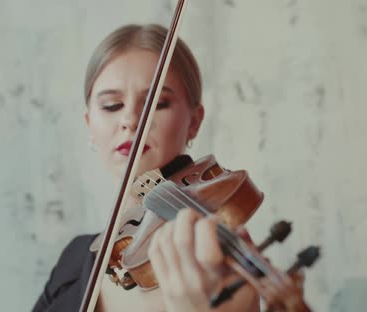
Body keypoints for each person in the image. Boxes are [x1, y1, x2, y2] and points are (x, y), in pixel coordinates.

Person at [32, 23, 308, 312]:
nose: (131, 120)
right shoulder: (74, 259)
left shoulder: (212, 274)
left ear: (195, 121)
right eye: (112, 105)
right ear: (90, 125)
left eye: (158, 103)